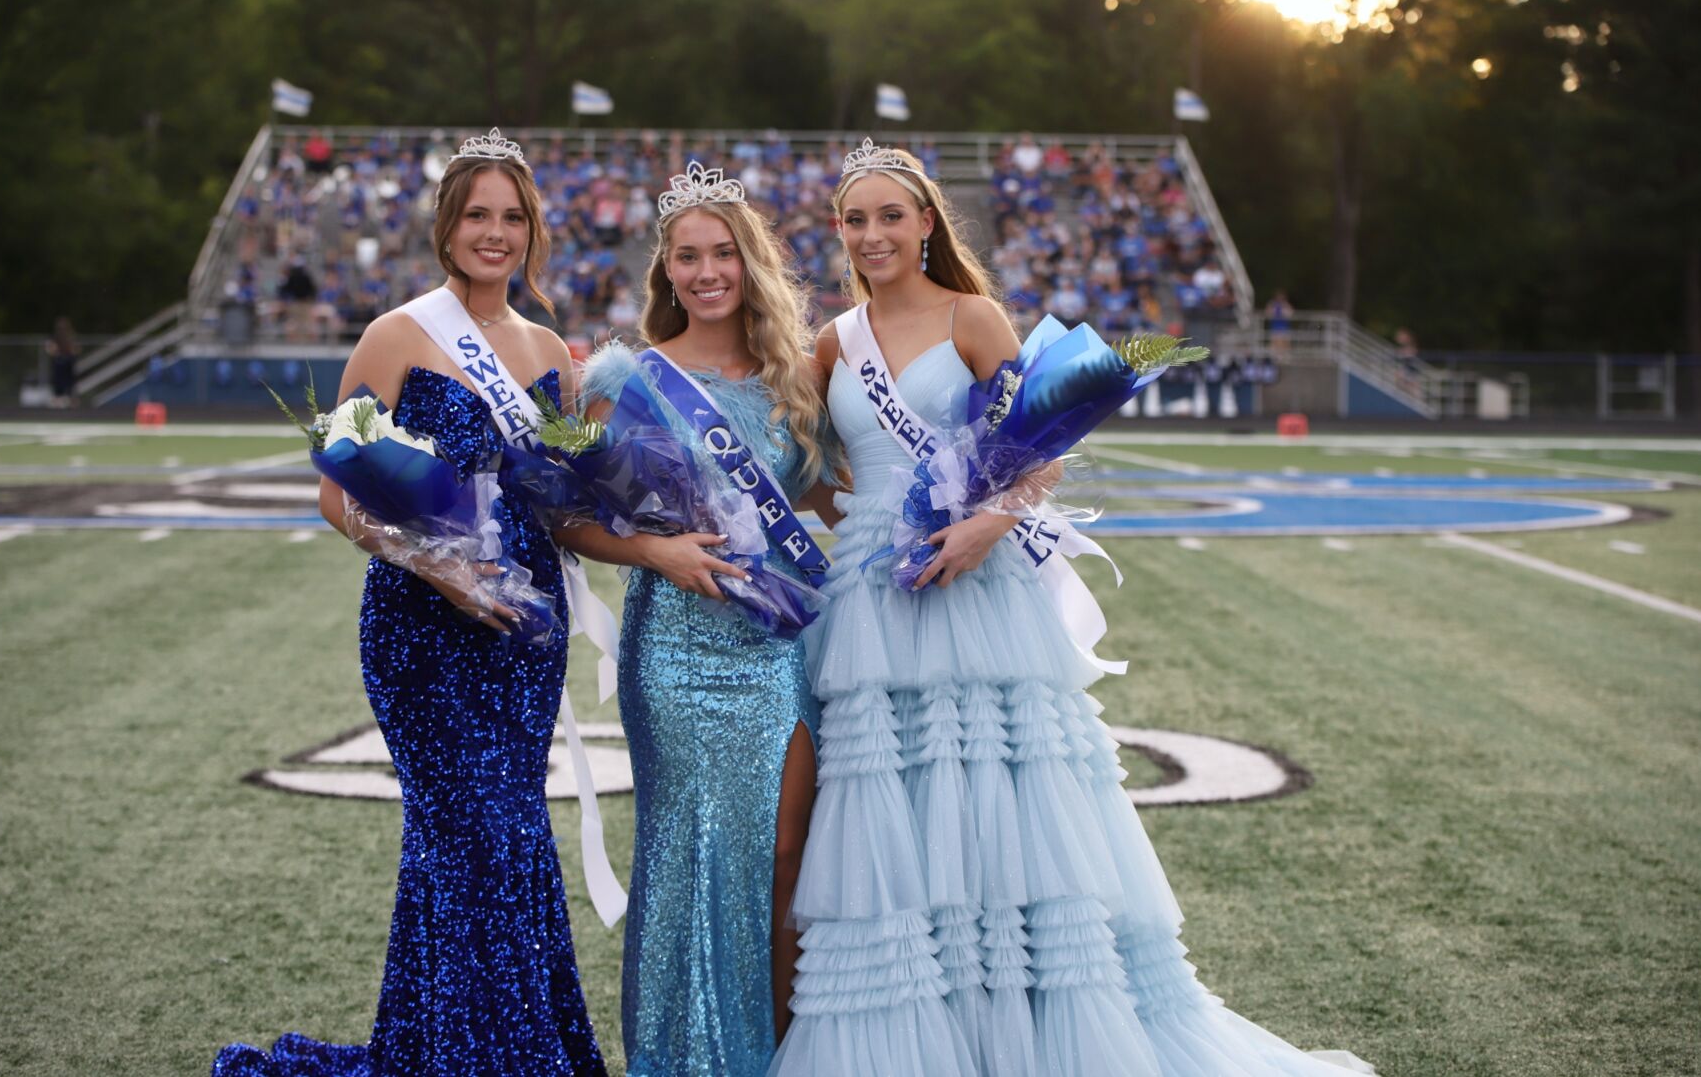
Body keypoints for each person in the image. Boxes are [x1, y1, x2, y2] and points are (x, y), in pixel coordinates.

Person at [769, 141, 1371, 1076]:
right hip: (871, 599)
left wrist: (978, 530)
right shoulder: (831, 341)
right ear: (839, 230)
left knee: (1002, 801)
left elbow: (1037, 453)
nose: (874, 233)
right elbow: (813, 472)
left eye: (892, 215)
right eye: (856, 219)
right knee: (896, 806)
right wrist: (852, 524)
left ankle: (1027, 1034)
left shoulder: (973, 317)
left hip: (977, 585)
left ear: (927, 222)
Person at [215, 129, 606, 1077]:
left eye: (512, 217)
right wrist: (435, 568)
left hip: (523, 626)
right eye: (477, 214)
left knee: (490, 843)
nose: (495, 233)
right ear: (446, 224)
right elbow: (335, 488)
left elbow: (556, 497)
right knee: (477, 838)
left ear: (531, 232)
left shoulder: (551, 350)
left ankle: (441, 1049)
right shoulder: (396, 334)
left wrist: (617, 479)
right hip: (423, 631)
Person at [558, 162, 842, 1075]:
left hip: (774, 648)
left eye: (724, 252)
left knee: (787, 851)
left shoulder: (792, 380)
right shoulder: (624, 380)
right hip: (673, 651)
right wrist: (656, 552)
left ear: (748, 263)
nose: (708, 270)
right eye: (689, 255)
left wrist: (980, 496)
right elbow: (570, 517)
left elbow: (836, 498)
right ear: (667, 271)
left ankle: (779, 1056)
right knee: (689, 857)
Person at [45, 317, 79, 407]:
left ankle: (72, 404)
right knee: (57, 387)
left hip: (68, 363)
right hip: (58, 364)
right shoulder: (54, 338)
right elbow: (49, 349)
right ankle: (57, 403)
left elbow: (76, 349)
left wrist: (72, 352)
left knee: (70, 386)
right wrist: (55, 352)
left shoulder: (71, 337)